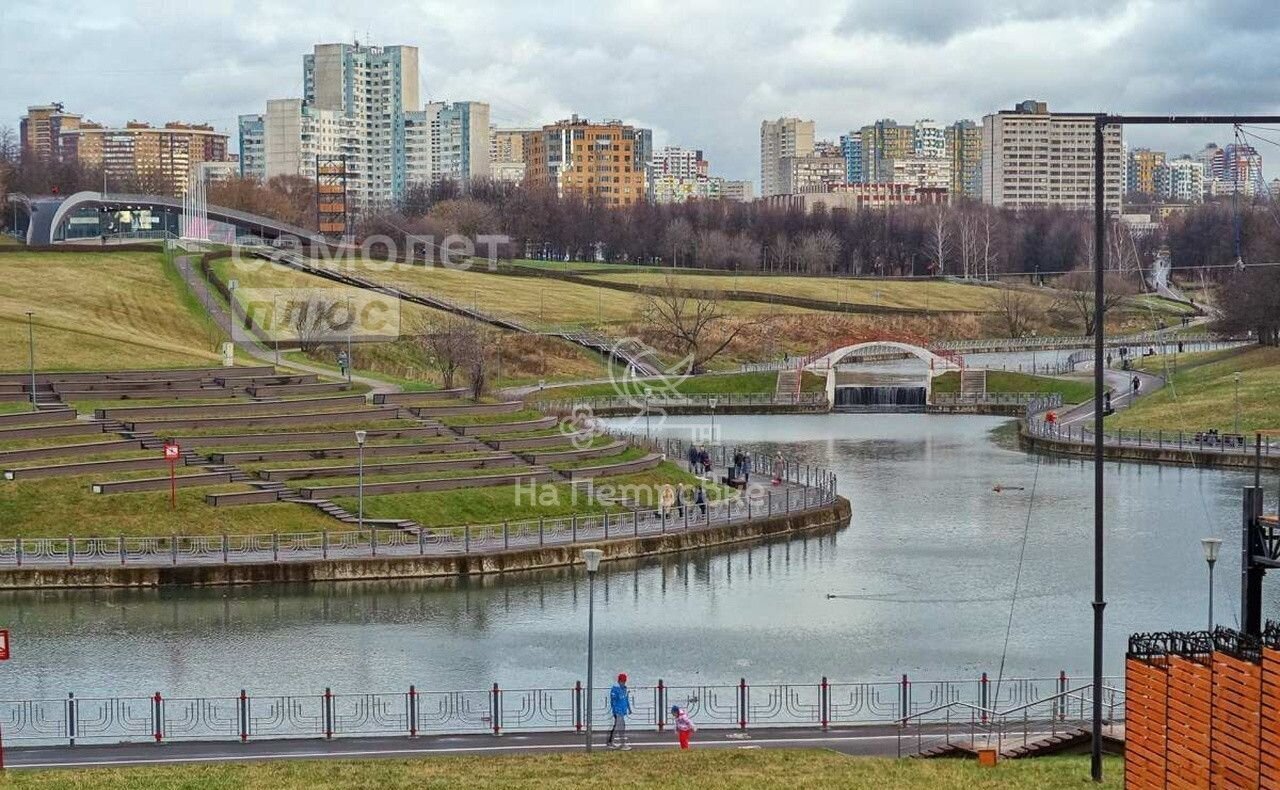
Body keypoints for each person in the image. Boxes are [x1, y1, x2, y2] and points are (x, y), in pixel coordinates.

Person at [608, 673, 632, 749]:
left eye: (624, 681)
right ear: (619, 681)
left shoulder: (624, 689)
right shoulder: (615, 690)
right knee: (620, 727)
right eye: (622, 681)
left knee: (619, 727)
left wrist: (629, 708)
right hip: (618, 711)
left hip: (622, 711)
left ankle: (611, 742)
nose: (623, 683)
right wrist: (615, 710)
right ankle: (622, 744)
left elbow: (626, 700)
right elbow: (613, 701)